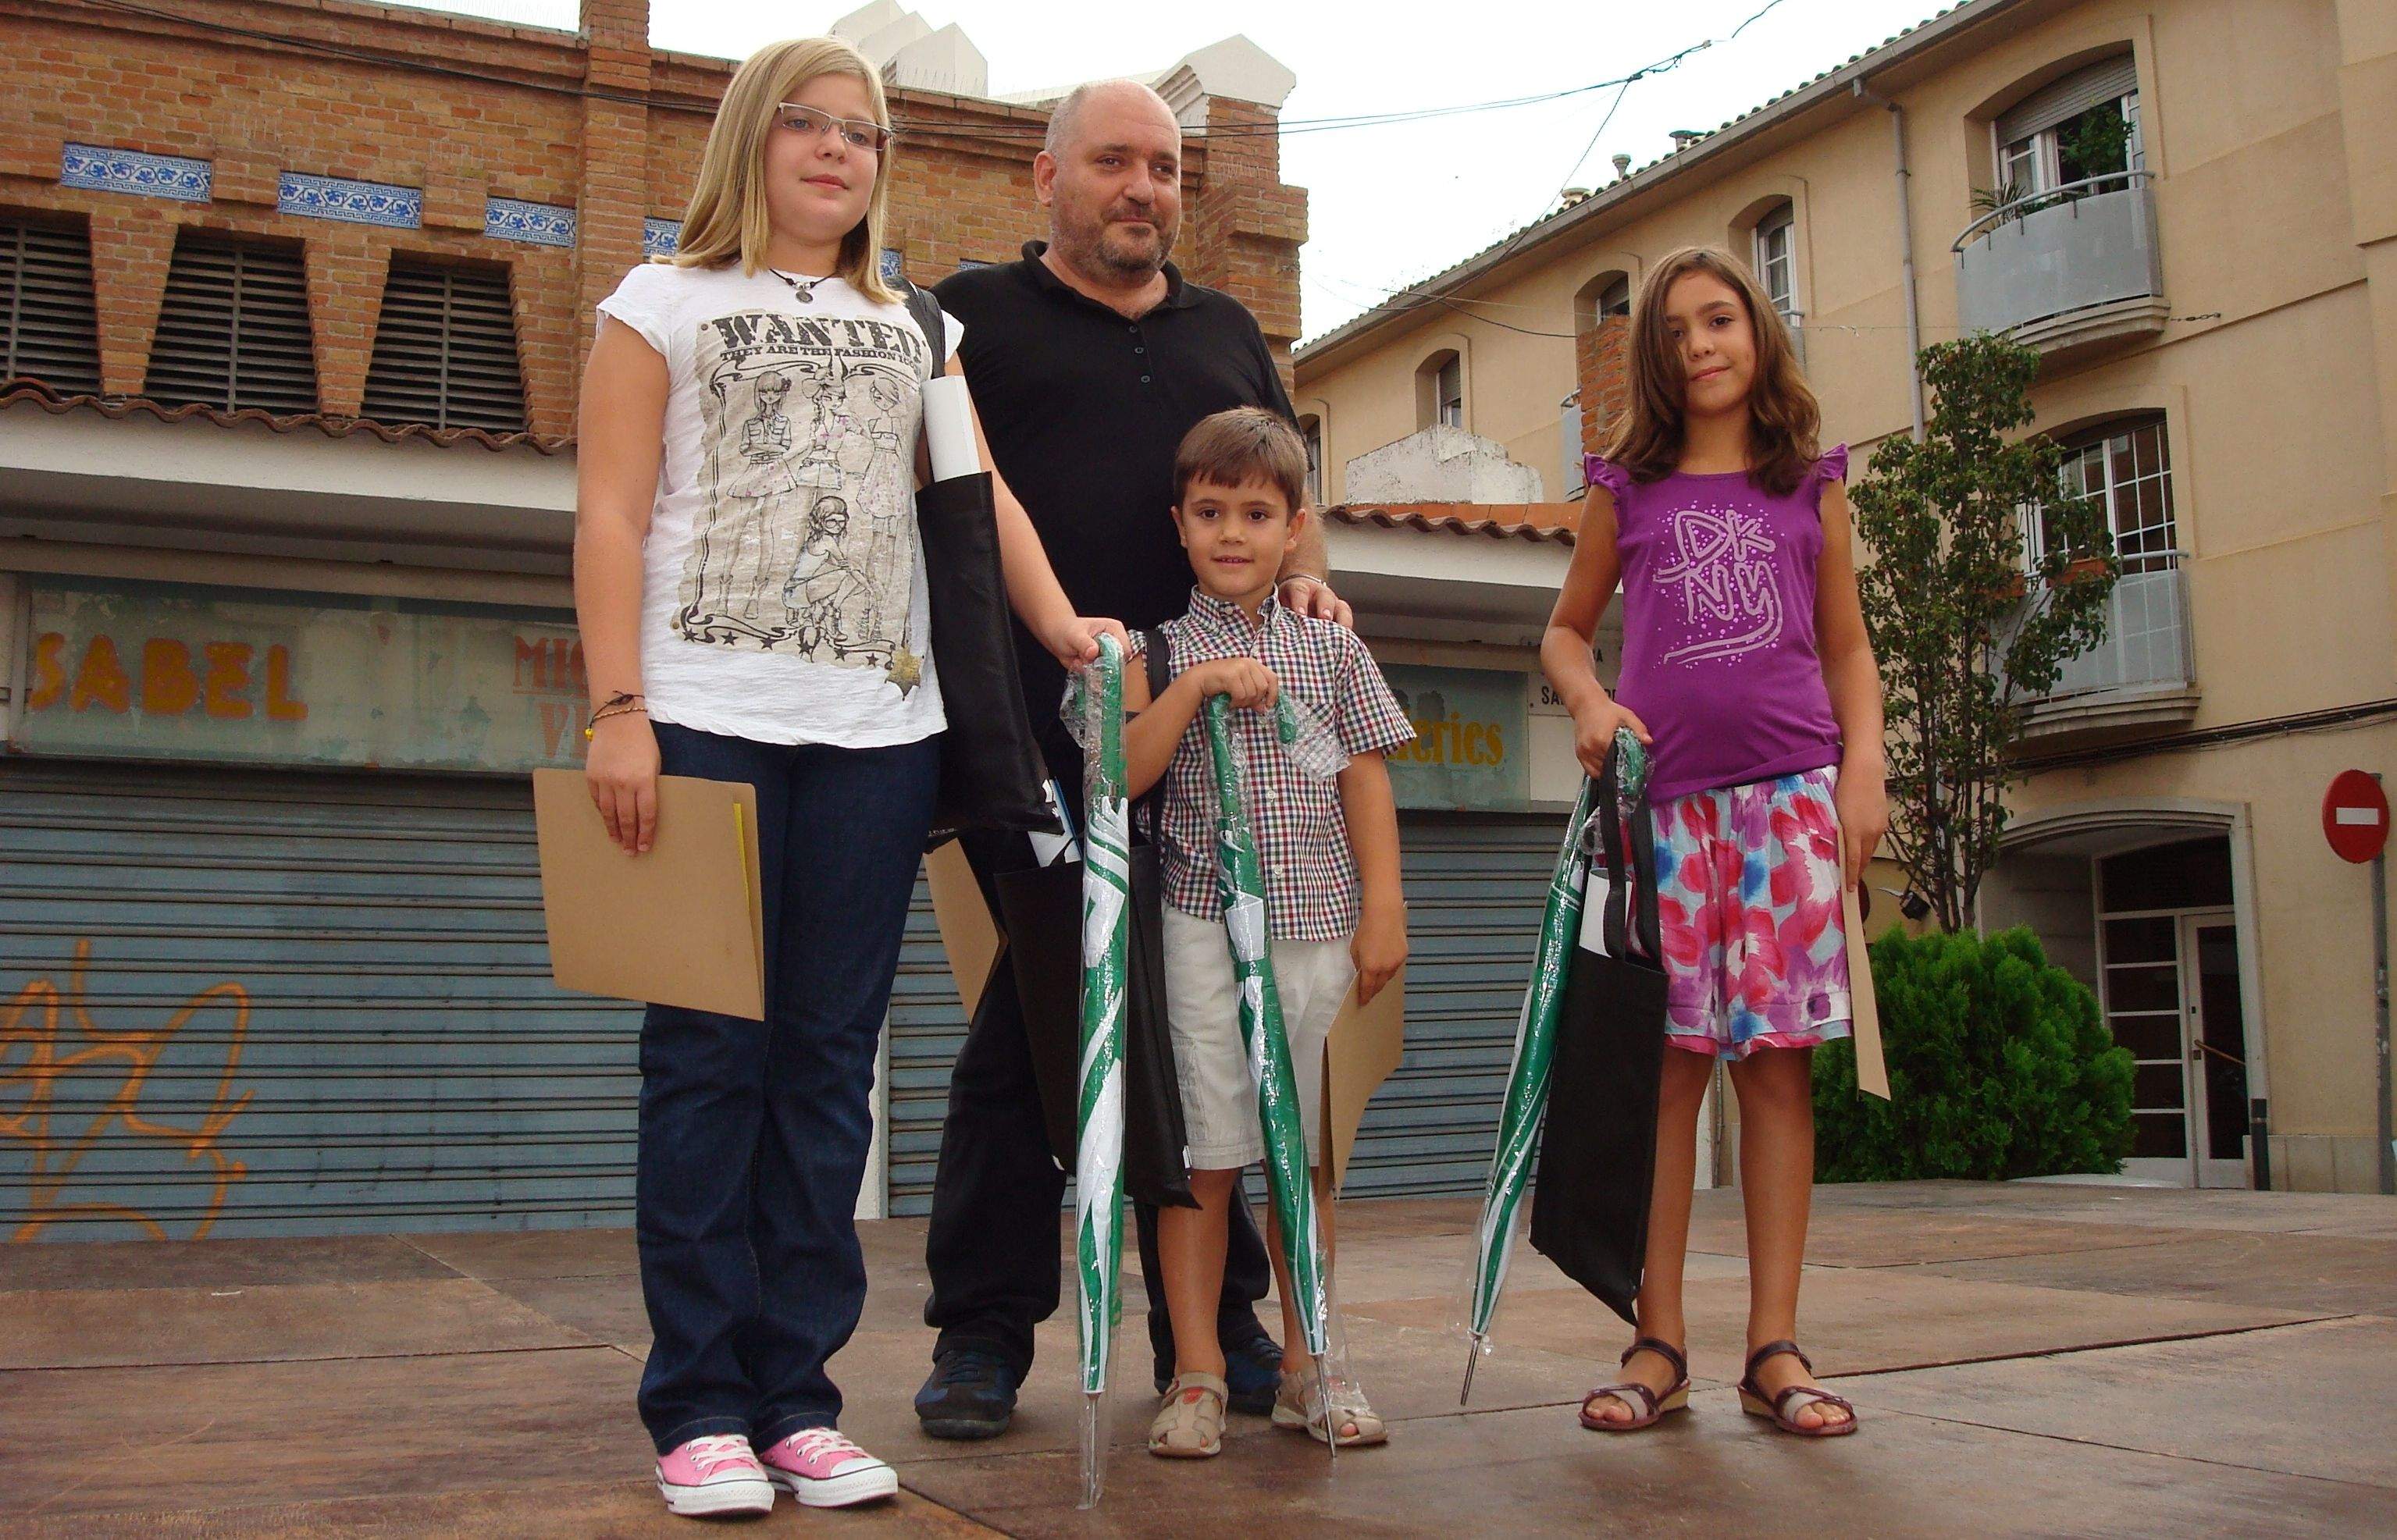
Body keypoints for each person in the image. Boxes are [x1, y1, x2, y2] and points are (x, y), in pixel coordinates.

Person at [575, 37, 1120, 1518]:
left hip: (882, 736)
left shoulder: (918, 326)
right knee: (706, 1061)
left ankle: (796, 1399)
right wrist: (617, 705)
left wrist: (1065, 626)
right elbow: (615, 514)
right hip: (700, 720)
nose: (836, 151)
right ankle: (695, 1405)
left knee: (825, 1067)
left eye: (863, 133)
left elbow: (979, 492)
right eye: (806, 126)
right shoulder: (659, 304)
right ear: (751, 142)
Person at [914, 78, 1355, 1439]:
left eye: (1162, 168)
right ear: (1043, 176)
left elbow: (1289, 488)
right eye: (1113, 162)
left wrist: (1316, 590)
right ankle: (984, 1333)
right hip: (1040, 736)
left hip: (1224, 749)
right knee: (1041, 1013)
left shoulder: (1225, 328)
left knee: (1203, 1026)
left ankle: (1207, 1334)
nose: (1141, 189)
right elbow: (940, 494)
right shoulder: (965, 314)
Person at [1540, 246, 1887, 1439]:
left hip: (1790, 802)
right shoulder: (1624, 491)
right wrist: (1589, 706)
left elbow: (1847, 648)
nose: (1698, 345)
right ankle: (1657, 1340)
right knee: (1664, 1078)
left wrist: (1865, 771)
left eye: (1719, 320)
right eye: (1675, 331)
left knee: (1777, 1072)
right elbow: (1565, 636)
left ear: (1758, 331)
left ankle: (1773, 1348)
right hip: (1662, 817)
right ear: (1653, 356)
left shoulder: (1810, 485)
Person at [1122, 408, 1412, 1459]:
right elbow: (1122, 770)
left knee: (1307, 1160)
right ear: (1180, 522)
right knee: (1203, 1158)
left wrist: (1384, 906)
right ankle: (1197, 1370)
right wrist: (1196, 685)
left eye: (1255, 512)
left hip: (1319, 928)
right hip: (1198, 927)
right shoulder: (1152, 648)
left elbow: (1363, 774)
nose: (1231, 532)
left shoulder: (1330, 645)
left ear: (1294, 528)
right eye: (1210, 512)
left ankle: (1309, 1364)